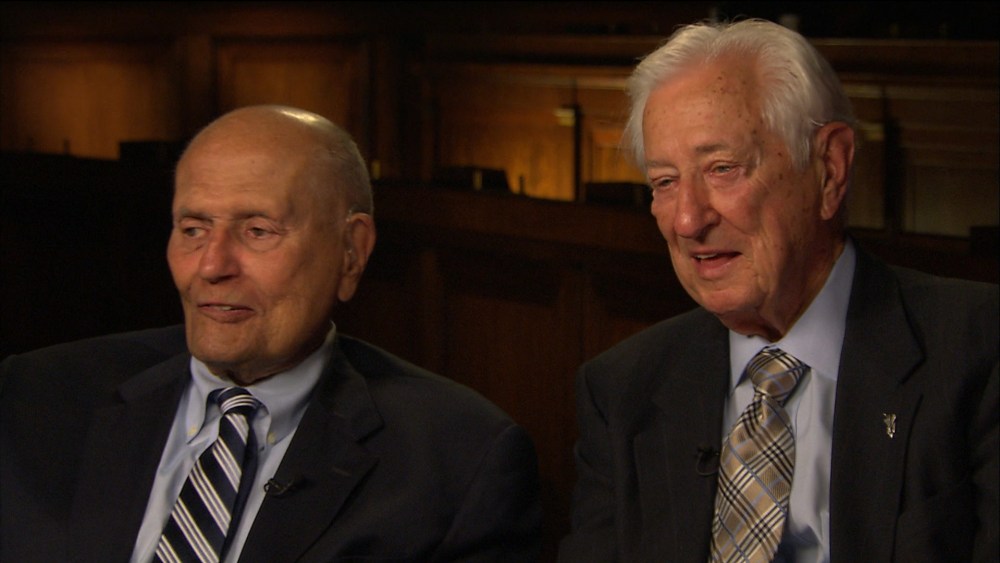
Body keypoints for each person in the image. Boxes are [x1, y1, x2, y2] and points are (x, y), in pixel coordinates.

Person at [0, 104, 542, 562]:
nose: (212, 266)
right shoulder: (36, 397)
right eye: (193, 229)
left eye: (258, 231)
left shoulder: (458, 461)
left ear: (351, 252)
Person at [558, 18, 998, 563]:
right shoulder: (623, 389)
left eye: (722, 169)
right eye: (664, 182)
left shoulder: (977, 350)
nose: (688, 220)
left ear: (829, 170)